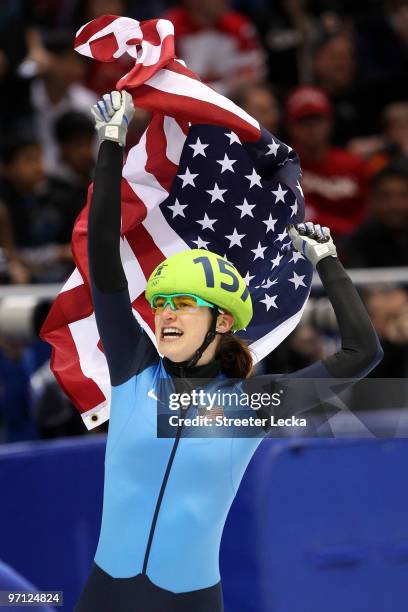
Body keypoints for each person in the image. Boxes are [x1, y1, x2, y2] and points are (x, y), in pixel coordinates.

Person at [74, 91, 383, 612]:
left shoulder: (251, 405)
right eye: (161, 303)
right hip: (103, 596)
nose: (165, 314)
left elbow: (360, 352)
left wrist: (327, 262)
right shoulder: (132, 366)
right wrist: (111, 144)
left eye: (182, 305)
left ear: (221, 320)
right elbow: (102, 254)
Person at [285, 85, 369, 241]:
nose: (311, 129)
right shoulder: (283, 168)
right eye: (304, 121)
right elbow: (300, 218)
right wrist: (348, 229)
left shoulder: (353, 164)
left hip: (357, 247)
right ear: (291, 126)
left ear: (330, 123)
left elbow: (369, 210)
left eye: (317, 120)